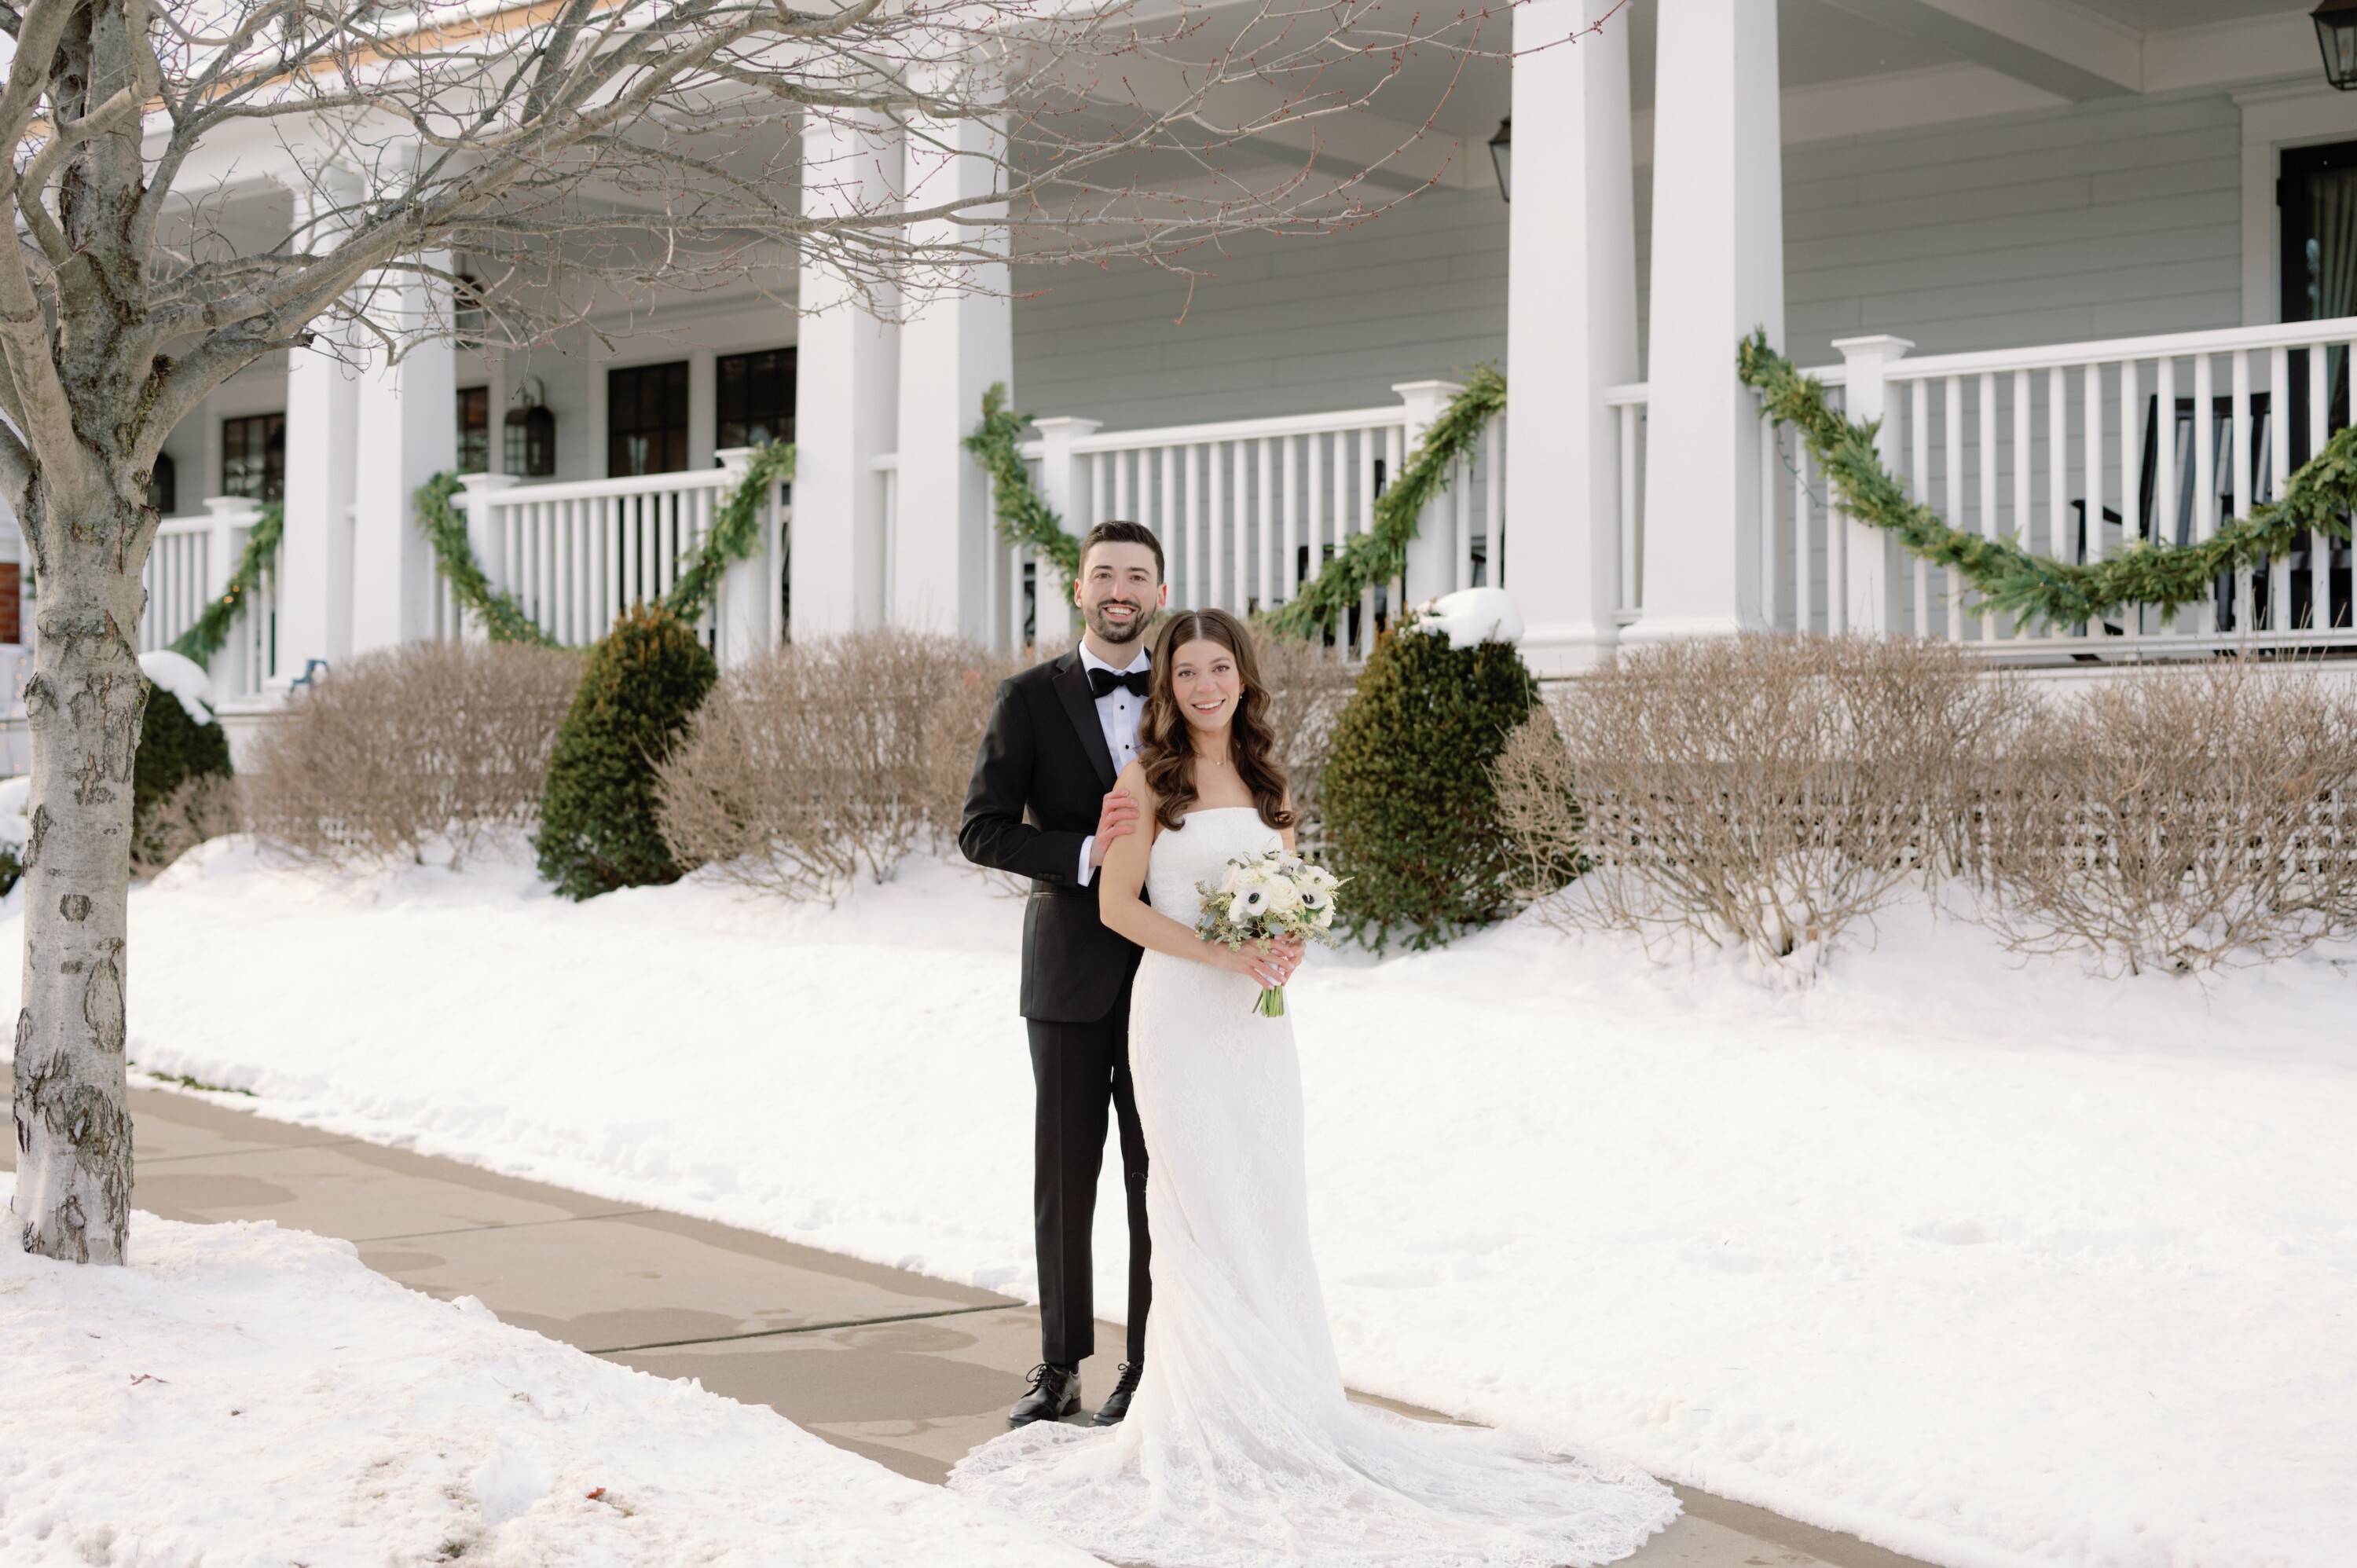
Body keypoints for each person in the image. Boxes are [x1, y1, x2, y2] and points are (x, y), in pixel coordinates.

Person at [949, 609, 1680, 1567]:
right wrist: (1217, 949)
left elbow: (1281, 885)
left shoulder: (1268, 781)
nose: (1204, 686)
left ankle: (1282, 1401)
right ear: (1166, 687)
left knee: (1264, 1203)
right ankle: (1200, 1408)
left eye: (1220, 669)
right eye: (1186, 673)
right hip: (1175, 1015)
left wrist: (1283, 941)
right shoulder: (1142, 782)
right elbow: (1119, 906)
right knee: (1197, 1207)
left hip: (1255, 1032)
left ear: (1244, 680)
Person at [959, 519, 1172, 1428]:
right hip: (1069, 969)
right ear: (1078, 589)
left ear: (1159, 593)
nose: (1120, 589)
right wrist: (1084, 851)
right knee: (1066, 1173)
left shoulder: (1194, 689)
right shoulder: (1026, 698)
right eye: (1104, 575)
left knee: (1156, 1173)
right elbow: (982, 827)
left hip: (1174, 973)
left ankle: (1152, 1364)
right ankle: (1059, 1363)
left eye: (1138, 575)